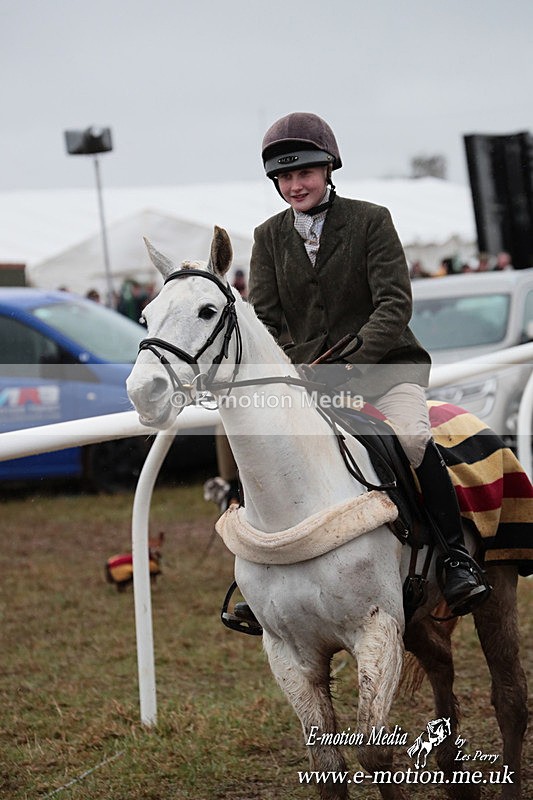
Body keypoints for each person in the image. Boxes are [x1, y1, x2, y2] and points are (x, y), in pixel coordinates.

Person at [242, 111, 490, 618]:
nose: (295, 185)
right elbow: (265, 320)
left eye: (304, 174)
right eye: (285, 177)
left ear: (328, 169)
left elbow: (394, 304)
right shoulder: (267, 237)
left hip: (386, 369)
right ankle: (267, 579)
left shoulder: (371, 219)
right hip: (310, 382)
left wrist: (351, 365)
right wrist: (289, 374)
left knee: (412, 440)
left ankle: (454, 556)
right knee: (273, 453)